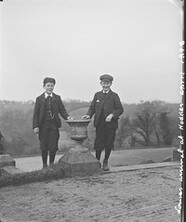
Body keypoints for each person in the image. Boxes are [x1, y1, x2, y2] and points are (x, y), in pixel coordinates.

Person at [82, 74, 123, 171]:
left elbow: (120, 109)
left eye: (107, 83)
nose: (105, 85)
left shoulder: (114, 96)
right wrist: (88, 115)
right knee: (98, 143)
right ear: (101, 83)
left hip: (111, 124)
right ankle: (97, 162)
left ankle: (105, 161)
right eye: (104, 83)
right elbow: (92, 107)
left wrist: (112, 115)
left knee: (109, 143)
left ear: (111, 84)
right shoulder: (97, 95)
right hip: (99, 123)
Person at [33, 77, 73, 168]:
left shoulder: (57, 98)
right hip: (43, 126)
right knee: (43, 146)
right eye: (48, 86)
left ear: (54, 86)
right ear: (44, 86)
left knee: (53, 146)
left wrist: (68, 117)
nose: (50, 87)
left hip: (54, 125)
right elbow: (36, 113)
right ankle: (44, 165)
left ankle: (51, 164)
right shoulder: (39, 99)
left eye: (52, 86)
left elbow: (62, 110)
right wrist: (35, 126)